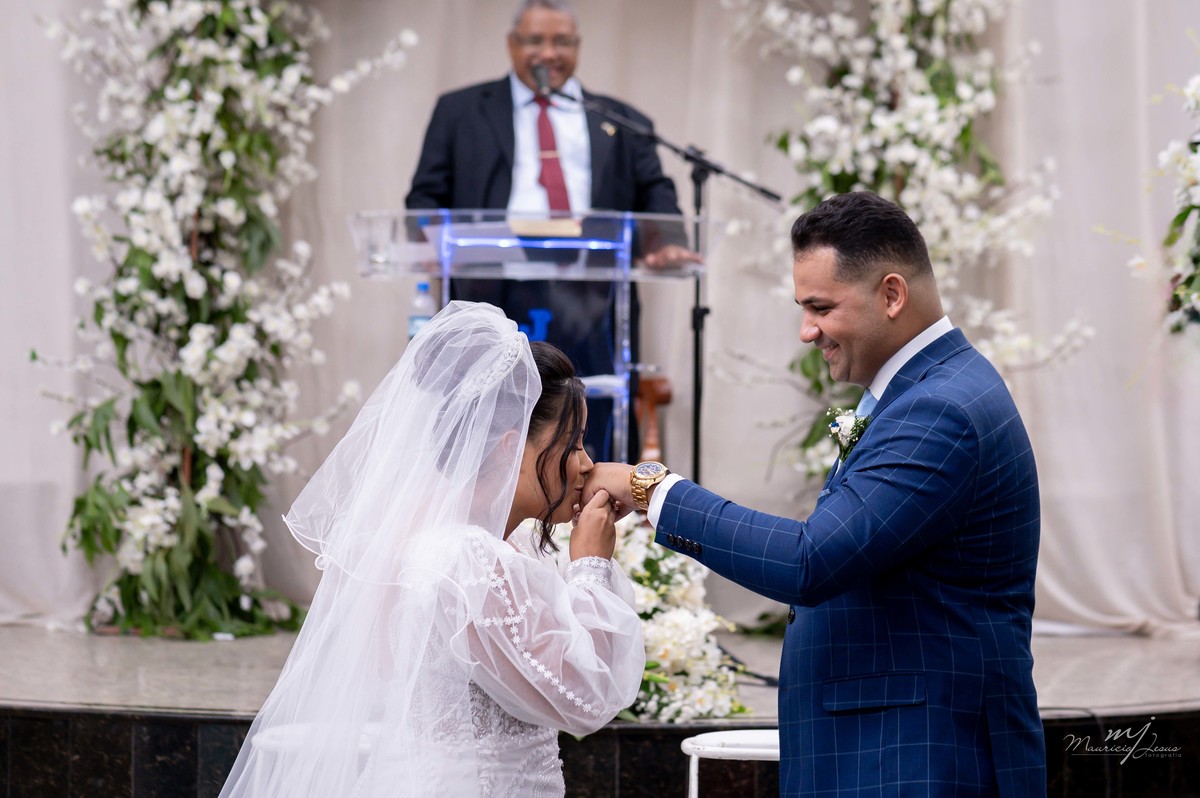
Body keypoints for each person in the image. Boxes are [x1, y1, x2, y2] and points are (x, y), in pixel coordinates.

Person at [584, 192, 1046, 797]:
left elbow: (812, 561)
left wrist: (651, 488)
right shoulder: (928, 390)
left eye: (821, 308)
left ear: (892, 294)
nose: (806, 332)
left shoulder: (940, 409)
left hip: (919, 757)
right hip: (885, 747)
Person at [219, 302, 644, 797]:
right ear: (509, 447)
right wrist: (591, 564)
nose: (586, 463)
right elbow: (585, 699)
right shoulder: (466, 560)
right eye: (573, 442)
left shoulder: (442, 540)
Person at [405, 0, 698, 461]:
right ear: (512, 45)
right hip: (491, 292)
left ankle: (596, 499)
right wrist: (430, 240)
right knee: (490, 425)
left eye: (561, 41)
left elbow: (655, 192)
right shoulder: (460, 111)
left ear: (577, 47)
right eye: (535, 41)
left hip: (592, 301)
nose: (548, 53)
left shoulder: (620, 120)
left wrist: (670, 242)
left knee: (591, 420)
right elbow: (424, 198)